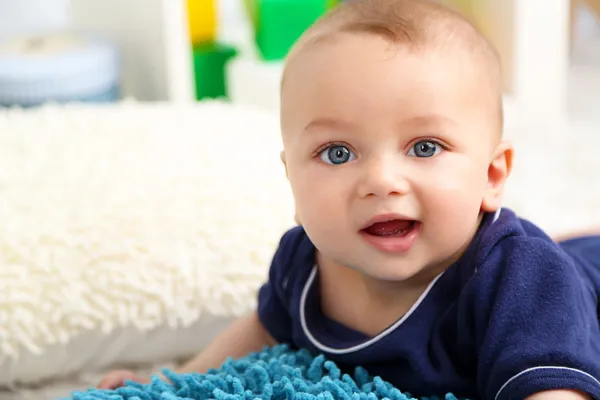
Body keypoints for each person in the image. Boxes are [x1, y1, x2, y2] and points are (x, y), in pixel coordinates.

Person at [98, 0, 600, 398]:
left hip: (578, 274)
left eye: (424, 147)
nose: (381, 181)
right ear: (292, 181)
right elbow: (261, 327)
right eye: (337, 153)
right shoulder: (303, 264)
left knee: (571, 253)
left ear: (492, 175)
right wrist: (170, 384)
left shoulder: (523, 278)